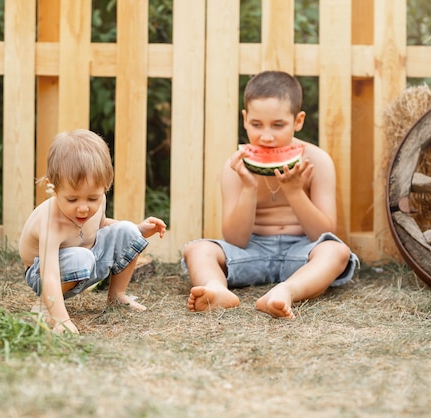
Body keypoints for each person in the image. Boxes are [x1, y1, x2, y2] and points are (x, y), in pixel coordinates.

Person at [183, 70, 358, 319]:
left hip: (301, 253)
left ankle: (287, 290)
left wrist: (295, 192)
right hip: (252, 251)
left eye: (278, 125)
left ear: (298, 121)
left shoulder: (317, 161)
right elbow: (235, 239)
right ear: (244, 119)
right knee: (197, 249)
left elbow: (322, 233)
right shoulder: (235, 167)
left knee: (336, 251)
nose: (266, 136)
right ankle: (216, 289)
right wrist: (249, 189)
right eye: (256, 124)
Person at [19, 129, 166, 334]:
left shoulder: (98, 200)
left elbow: (103, 224)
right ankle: (45, 305)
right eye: (72, 199)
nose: (83, 208)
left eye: (92, 198)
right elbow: (50, 274)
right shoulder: (51, 223)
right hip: (42, 273)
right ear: (52, 187)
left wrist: (138, 229)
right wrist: (61, 320)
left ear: (105, 187)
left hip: (85, 256)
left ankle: (117, 296)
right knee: (82, 257)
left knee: (128, 230)